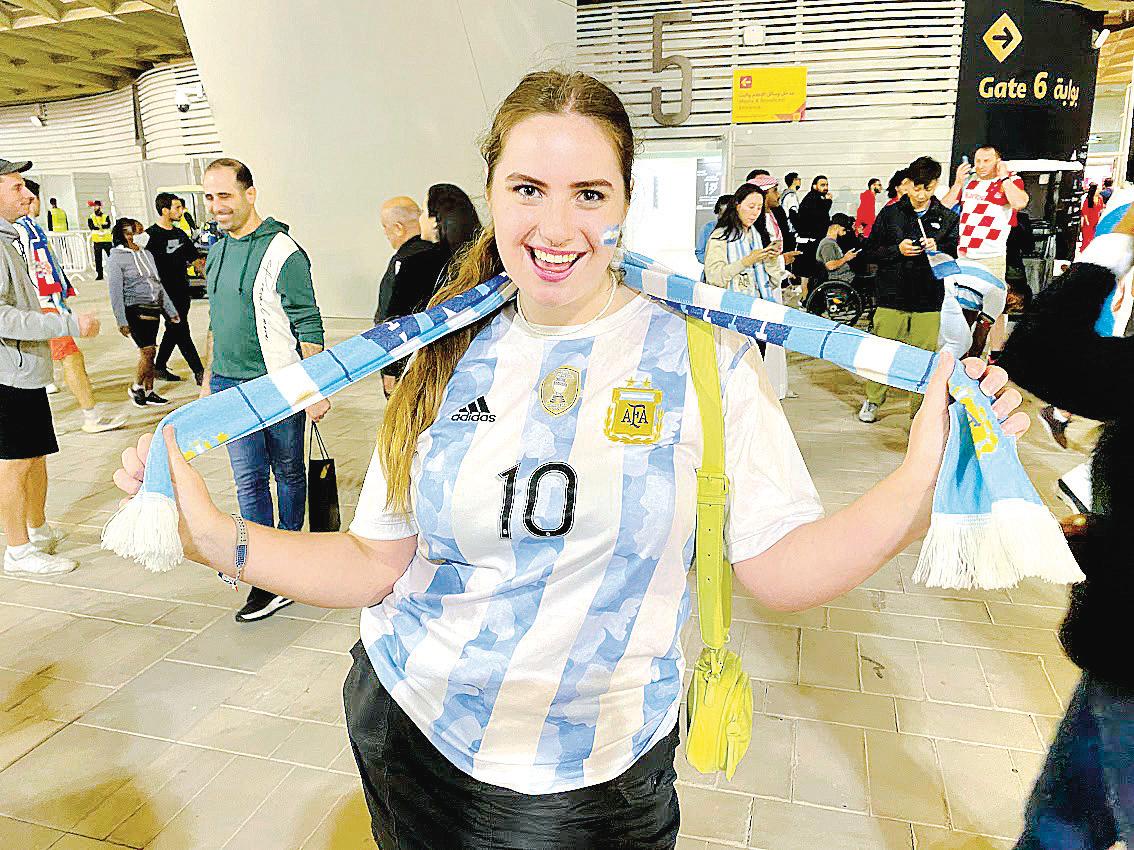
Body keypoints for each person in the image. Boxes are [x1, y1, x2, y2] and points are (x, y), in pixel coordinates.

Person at [113, 70, 1028, 849]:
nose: (558, 226)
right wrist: (212, 537)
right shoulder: (438, 352)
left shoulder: (702, 358)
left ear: (626, 201)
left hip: (593, 780)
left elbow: (780, 570)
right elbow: (377, 564)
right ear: (492, 194)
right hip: (406, 728)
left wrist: (923, 477)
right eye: (527, 189)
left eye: (590, 193)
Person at [998, 204, 1134, 850]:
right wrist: (1105, 541)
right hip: (1116, 651)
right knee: (1059, 826)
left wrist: (1112, 249)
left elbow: (1039, 350)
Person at [199, 158, 329, 623]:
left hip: (278, 385)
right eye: (209, 197)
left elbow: (308, 321)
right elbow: (217, 321)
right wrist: (209, 378)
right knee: (248, 480)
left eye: (225, 196)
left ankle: (289, 561)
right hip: (231, 388)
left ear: (250, 194)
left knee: (289, 474)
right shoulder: (216, 250)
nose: (216, 207)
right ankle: (262, 574)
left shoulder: (283, 250)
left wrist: (313, 388)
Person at [0, 158, 101, 577]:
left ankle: (37, 531)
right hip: (8, 373)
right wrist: (66, 322)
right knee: (14, 464)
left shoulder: (12, 238)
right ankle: (18, 549)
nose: (28, 195)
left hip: (25, 370)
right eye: (16, 187)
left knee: (34, 456)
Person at [15, 180, 126, 434]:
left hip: (45, 305)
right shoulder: (22, 231)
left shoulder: (30, 228)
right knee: (71, 358)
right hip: (43, 307)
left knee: (55, 361)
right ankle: (91, 416)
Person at [859, 156, 959, 423]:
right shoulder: (891, 213)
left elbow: (954, 254)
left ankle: (918, 411)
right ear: (907, 183)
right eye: (916, 187)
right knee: (881, 352)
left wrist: (938, 248)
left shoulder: (947, 218)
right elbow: (869, 251)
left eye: (927, 188)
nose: (921, 194)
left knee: (923, 359)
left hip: (928, 300)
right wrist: (897, 250)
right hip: (891, 297)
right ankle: (872, 399)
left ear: (936, 184)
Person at [941, 146, 1029, 360]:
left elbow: (1020, 202)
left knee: (989, 312)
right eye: (977, 160)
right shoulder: (969, 181)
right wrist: (957, 183)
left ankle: (976, 358)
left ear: (998, 162)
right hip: (965, 256)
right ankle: (959, 358)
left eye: (986, 161)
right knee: (964, 311)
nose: (980, 165)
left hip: (991, 257)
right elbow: (943, 208)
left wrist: (1004, 178)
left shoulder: (1009, 181)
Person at [106, 218, 178, 408]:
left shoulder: (147, 254)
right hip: (134, 310)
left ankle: (149, 391)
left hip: (153, 309)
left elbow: (158, 284)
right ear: (127, 234)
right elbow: (115, 291)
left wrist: (170, 310)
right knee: (148, 351)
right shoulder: (116, 259)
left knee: (150, 353)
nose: (143, 234)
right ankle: (136, 387)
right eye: (139, 231)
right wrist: (121, 319)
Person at [374, 196, 439, 397]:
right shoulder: (439, 255)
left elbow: (393, 318)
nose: (385, 233)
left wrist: (390, 369)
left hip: (407, 365)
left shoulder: (405, 262)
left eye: (385, 227)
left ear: (399, 228)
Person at [146, 192, 205, 385]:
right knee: (181, 329)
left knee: (173, 330)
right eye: (177, 207)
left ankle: (160, 366)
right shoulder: (150, 237)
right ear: (165, 210)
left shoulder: (179, 234)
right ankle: (199, 372)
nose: (181, 211)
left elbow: (195, 259)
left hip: (182, 291)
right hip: (163, 294)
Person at [816, 213, 860, 288]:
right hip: (842, 280)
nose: (845, 232)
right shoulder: (828, 244)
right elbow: (830, 266)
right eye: (844, 229)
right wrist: (846, 258)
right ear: (836, 227)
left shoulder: (832, 242)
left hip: (846, 278)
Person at [695, 194, 731, 269]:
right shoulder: (708, 228)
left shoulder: (740, 230)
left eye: (727, 214)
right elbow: (700, 253)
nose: (724, 217)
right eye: (721, 213)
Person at [87, 199, 112, 280]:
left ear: (100, 206)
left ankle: (114, 272)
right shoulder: (91, 217)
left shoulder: (105, 216)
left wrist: (99, 226)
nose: (95, 207)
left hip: (107, 240)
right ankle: (99, 275)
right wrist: (102, 225)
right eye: (94, 206)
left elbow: (108, 225)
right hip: (97, 240)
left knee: (111, 257)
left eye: (97, 205)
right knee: (98, 259)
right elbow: (92, 227)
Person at [1079, 183, 1103, 253]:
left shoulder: (1100, 199)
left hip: (1096, 220)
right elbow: (1085, 212)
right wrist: (1087, 222)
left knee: (1093, 238)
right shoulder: (1088, 199)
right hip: (1089, 221)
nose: (1099, 191)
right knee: (1087, 238)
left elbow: (1101, 210)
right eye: (1097, 189)